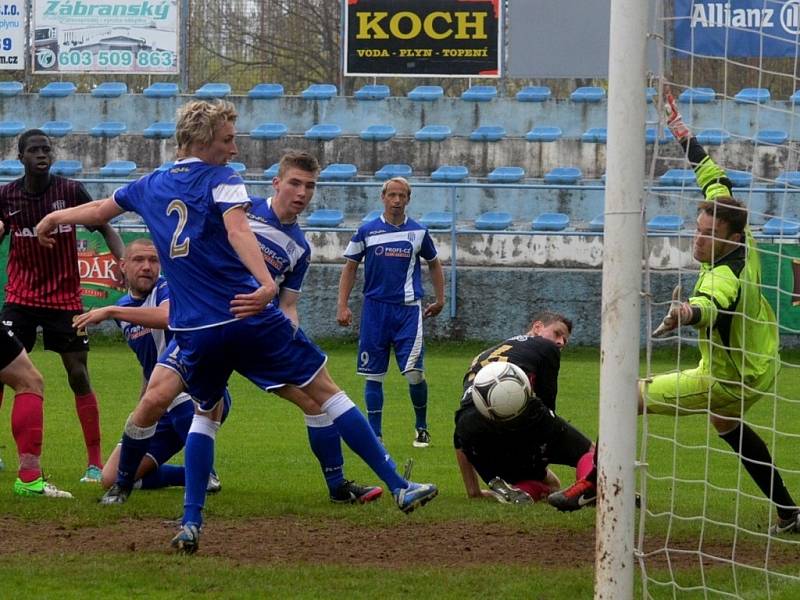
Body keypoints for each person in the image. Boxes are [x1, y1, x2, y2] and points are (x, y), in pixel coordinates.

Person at [36, 99, 437, 555]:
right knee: (326, 391)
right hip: (246, 317)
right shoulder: (223, 179)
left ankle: (190, 523)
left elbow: (101, 210)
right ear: (204, 141)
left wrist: (54, 217)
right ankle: (400, 484)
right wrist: (265, 283)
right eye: (228, 139)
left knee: (206, 413)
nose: (234, 147)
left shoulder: (150, 184)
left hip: (195, 330)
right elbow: (239, 232)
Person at [554, 91, 800, 530]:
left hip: (729, 376)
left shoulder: (721, 278)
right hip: (763, 362)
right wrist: (680, 130)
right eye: (698, 229)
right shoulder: (747, 237)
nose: (698, 238)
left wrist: (684, 314)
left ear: (731, 238)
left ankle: (594, 485)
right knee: (727, 427)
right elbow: (712, 176)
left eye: (708, 234)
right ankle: (788, 512)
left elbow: (710, 307)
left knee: (625, 396)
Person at [247, 150, 381, 505]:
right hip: (211, 322)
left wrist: (290, 333)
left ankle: (338, 487)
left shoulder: (300, 248)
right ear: (276, 183)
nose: (302, 193)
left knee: (316, 403)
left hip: (257, 334)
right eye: (294, 183)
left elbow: (288, 305)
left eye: (310, 186)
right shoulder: (242, 211)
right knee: (165, 397)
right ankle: (120, 480)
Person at [0, 129, 124, 484]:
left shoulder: (69, 191)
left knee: (78, 375)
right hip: (19, 298)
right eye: (34, 150)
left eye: (46, 149)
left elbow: (104, 227)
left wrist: (124, 263)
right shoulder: (5, 196)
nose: (42, 154)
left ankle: (95, 463)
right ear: (20, 157)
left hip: (65, 300)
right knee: (1, 369)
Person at [72, 238, 225, 493]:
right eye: (139, 260)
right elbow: (149, 366)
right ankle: (192, 475)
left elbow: (167, 317)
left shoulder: (168, 288)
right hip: (160, 404)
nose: (147, 266)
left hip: (196, 398)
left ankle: (205, 472)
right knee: (110, 478)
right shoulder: (123, 307)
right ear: (122, 266)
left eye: (153, 260)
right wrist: (142, 407)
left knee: (174, 397)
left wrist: (110, 312)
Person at [337, 177, 445, 448]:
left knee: (414, 374)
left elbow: (434, 264)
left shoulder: (419, 232)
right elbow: (349, 267)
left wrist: (441, 298)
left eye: (402, 196)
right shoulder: (366, 231)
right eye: (392, 195)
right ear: (383, 197)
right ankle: (376, 434)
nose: (396, 200)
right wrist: (342, 304)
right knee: (374, 375)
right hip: (374, 311)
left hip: (408, 311)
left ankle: (421, 428)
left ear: (408, 199)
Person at [454, 311, 597, 508]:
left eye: (565, 340)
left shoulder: (483, 355)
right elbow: (547, 404)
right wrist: (542, 450)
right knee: (592, 452)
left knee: (552, 484)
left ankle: (521, 491)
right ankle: (591, 488)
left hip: (472, 429)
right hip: (521, 414)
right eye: (557, 333)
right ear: (537, 327)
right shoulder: (545, 346)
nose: (561, 342)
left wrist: (474, 492)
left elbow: (459, 435)